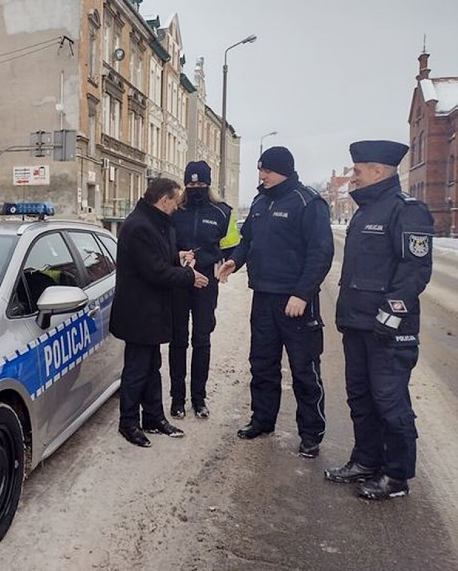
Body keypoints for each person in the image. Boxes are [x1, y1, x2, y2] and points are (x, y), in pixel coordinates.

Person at [325, 140, 433, 500]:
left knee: (389, 401)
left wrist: (390, 316)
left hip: (388, 330)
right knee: (360, 397)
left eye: (357, 171)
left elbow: (415, 271)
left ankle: (397, 475)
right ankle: (366, 461)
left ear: (378, 171)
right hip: (357, 324)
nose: (352, 177)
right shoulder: (365, 211)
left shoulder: (407, 211)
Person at [217, 146, 333, 458]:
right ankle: (262, 419)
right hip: (264, 298)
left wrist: (302, 293)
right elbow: (247, 241)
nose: (262, 176)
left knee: (304, 370)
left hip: (296, 302)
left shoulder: (308, 202)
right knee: (263, 364)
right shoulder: (259, 201)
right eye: (260, 170)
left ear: (283, 170)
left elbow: (321, 253)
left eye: (266, 170)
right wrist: (234, 262)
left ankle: (311, 433)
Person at [110, 177, 209, 447]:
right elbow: (155, 272)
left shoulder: (156, 222)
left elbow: (159, 259)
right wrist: (189, 276)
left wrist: (178, 257)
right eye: (175, 202)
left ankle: (153, 417)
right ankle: (128, 423)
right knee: (137, 370)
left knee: (152, 367)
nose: (177, 207)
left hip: (152, 311)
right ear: (163, 200)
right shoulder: (139, 226)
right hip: (138, 312)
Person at [169, 161, 240, 420]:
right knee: (178, 340)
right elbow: (163, 245)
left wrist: (225, 263)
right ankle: (177, 399)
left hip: (205, 284)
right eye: (191, 183)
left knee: (202, 339)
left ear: (208, 184)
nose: (195, 187)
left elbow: (233, 246)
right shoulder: (175, 210)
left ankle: (199, 399)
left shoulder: (222, 212)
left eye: (200, 184)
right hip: (178, 281)